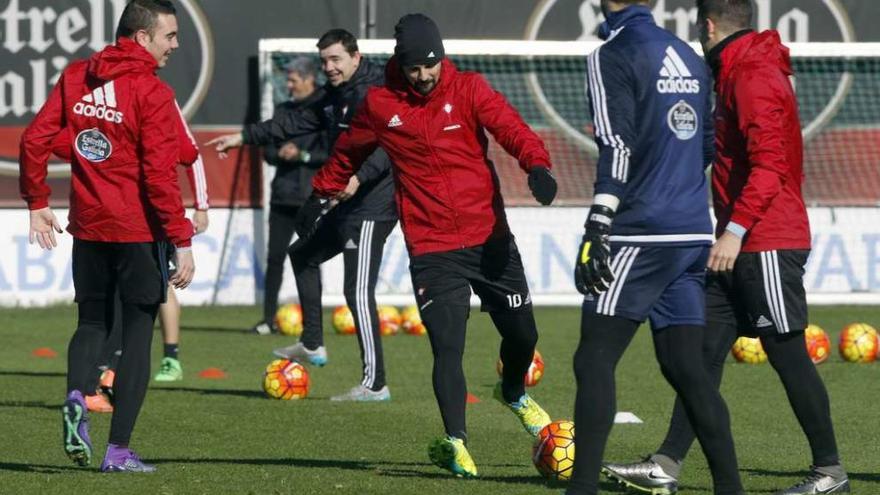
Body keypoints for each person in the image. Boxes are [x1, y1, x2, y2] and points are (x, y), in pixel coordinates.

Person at [601, 1, 849, 494]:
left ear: (708, 26)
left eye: (697, 29)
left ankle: (830, 472)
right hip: (735, 242)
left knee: (786, 352)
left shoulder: (752, 73)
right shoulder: (734, 69)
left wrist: (734, 230)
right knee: (701, 354)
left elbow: (771, 164)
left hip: (765, 240)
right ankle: (667, 463)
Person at [304, 13, 558, 477]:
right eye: (415, 67)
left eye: (431, 65)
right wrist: (320, 193)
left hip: (490, 239)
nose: (424, 76)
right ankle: (457, 441)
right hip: (432, 247)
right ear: (401, 64)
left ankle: (514, 392)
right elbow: (347, 153)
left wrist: (536, 166)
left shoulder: (470, 89)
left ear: (442, 58)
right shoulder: (381, 105)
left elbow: (512, 129)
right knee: (447, 347)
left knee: (523, 336)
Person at [567, 1, 744, 494]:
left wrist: (598, 223)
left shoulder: (611, 53)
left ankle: (580, 489)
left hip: (640, 231)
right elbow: (707, 142)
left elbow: (616, 146)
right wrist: (679, 189)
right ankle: (730, 488)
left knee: (594, 358)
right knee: (687, 368)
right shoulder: (688, 55)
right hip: (691, 232)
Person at [19, 0, 194, 472]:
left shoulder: (78, 76)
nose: (176, 45)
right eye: (170, 36)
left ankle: (78, 395)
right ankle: (117, 452)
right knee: (137, 337)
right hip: (138, 232)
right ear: (142, 37)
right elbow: (160, 176)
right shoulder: (152, 92)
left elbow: (35, 139)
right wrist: (181, 240)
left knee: (92, 323)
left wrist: (37, 203)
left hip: (90, 229)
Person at [209, 29, 398, 401]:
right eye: (324, 60)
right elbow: (289, 124)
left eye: (336, 59)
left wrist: (360, 177)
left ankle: (375, 383)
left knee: (356, 289)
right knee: (302, 254)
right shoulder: (334, 96)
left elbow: (390, 144)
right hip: (348, 199)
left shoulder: (377, 92)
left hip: (376, 202)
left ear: (356, 57)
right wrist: (243, 137)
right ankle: (312, 342)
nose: (328, 67)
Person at [250, 56, 329, 336]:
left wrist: (302, 154)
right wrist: (280, 153)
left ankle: (313, 322)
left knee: (310, 260)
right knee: (274, 259)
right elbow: (268, 151)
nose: (289, 85)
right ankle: (267, 319)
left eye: (293, 80)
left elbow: (329, 154)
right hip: (282, 197)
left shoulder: (324, 110)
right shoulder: (283, 110)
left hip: (310, 198)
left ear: (309, 79)